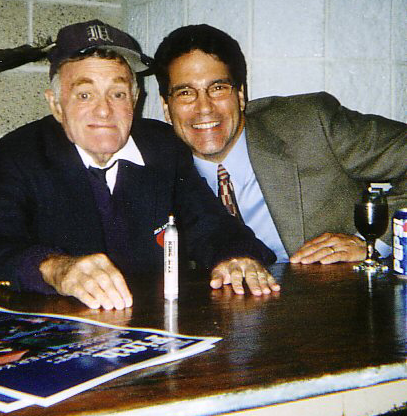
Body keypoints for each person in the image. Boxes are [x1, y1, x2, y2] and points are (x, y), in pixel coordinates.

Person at [0, 20, 278, 310]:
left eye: (118, 93)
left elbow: (212, 225)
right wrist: (56, 268)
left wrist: (236, 257)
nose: (104, 111)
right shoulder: (21, 155)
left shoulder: (162, 148)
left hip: (159, 325)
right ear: (56, 104)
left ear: (135, 100)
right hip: (66, 333)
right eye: (85, 95)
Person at [153, 24, 407, 264]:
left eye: (218, 88)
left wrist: (372, 243)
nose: (204, 108)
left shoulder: (311, 124)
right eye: (185, 93)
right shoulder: (156, 172)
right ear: (166, 107)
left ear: (240, 95)